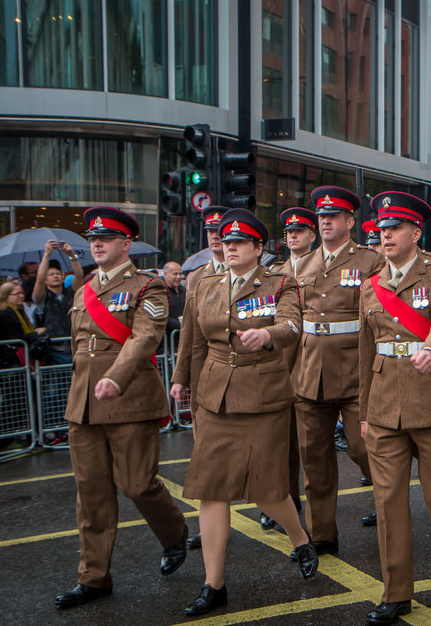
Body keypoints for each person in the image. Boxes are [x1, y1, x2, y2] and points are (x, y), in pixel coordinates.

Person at [171, 209, 317, 617]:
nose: (230, 246)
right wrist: (184, 380)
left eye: (240, 242)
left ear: (258, 248)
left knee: (267, 489)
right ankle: (213, 584)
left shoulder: (280, 282)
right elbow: (192, 339)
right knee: (211, 489)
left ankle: (300, 538)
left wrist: (266, 334)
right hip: (216, 395)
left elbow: (292, 327)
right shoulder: (203, 284)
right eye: (225, 240)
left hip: (263, 395)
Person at [55, 207, 188, 609]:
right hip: (85, 405)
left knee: (137, 484)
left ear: (126, 244)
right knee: (91, 494)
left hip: (129, 399)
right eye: (93, 239)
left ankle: (175, 533)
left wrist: (116, 375)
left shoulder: (149, 286)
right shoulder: (84, 290)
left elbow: (144, 338)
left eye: (106, 238)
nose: (96, 244)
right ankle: (94, 578)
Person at [358, 191, 431, 625]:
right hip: (385, 406)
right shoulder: (371, 284)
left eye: (394, 229)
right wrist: (365, 411)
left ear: (415, 232)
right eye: (381, 230)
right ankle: (396, 591)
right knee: (387, 502)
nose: (385, 237)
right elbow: (364, 353)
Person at [291, 188, 383, 553]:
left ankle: (387, 499)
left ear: (349, 222)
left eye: (334, 216)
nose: (326, 221)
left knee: (364, 449)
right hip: (311, 370)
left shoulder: (369, 260)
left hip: (354, 370)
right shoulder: (301, 264)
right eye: (322, 217)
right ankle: (321, 533)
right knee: (314, 459)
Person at [171, 205, 230, 550]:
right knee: (205, 460)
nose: (214, 238)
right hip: (205, 379)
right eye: (209, 232)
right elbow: (189, 335)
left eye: (220, 232)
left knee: (256, 458)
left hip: (242, 379)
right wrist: (181, 378)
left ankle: (287, 517)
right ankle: (209, 525)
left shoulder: (264, 273)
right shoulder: (197, 277)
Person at [259, 206, 317, 532]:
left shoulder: (324, 265)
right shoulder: (274, 273)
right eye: (289, 232)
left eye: (299, 231)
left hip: (315, 359)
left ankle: (314, 506)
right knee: (280, 441)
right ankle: (285, 499)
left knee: (309, 443)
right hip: (281, 361)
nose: (293, 236)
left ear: (312, 236)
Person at [32, 239, 84, 363]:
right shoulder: (43, 297)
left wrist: (72, 256)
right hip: (53, 351)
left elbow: (79, 276)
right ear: (45, 280)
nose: (55, 276)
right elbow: (39, 280)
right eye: (51, 275)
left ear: (62, 277)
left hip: (74, 349)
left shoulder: (70, 293)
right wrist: (47, 254)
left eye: (57, 274)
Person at [0, 282, 37, 368]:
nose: (21, 296)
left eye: (22, 293)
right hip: (9, 359)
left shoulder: (19, 310)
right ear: (6, 296)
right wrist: (35, 335)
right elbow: (15, 337)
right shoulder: (6, 313)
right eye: (17, 294)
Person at [162, 262, 186, 333]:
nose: (178, 277)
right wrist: (179, 325)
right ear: (165, 274)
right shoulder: (160, 292)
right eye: (175, 274)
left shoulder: (184, 291)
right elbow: (162, 317)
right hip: (168, 338)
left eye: (180, 274)